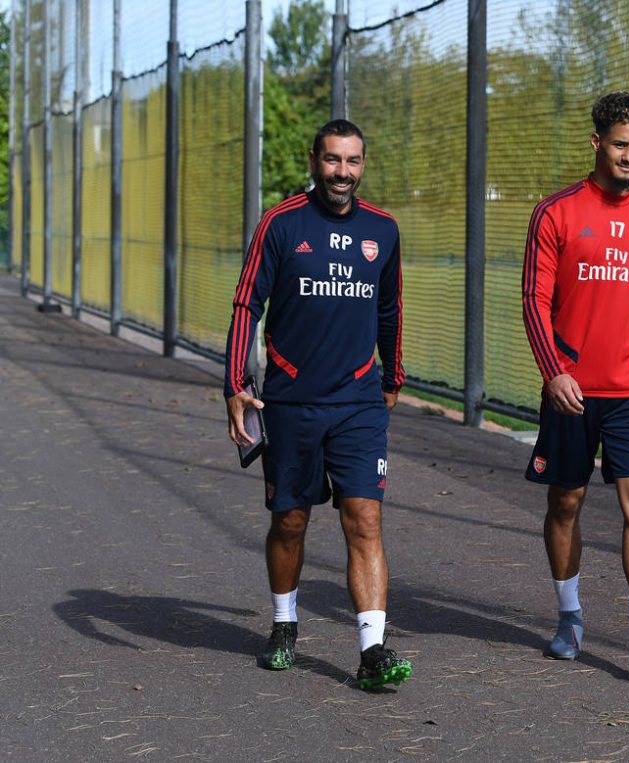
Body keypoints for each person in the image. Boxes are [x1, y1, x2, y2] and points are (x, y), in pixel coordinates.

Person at [224, 118, 411, 690]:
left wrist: (392, 374)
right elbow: (246, 304)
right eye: (332, 160)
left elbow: (390, 309)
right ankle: (284, 625)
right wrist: (234, 383)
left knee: (365, 519)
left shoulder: (383, 228)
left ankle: (372, 649)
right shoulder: (281, 223)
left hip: (358, 402)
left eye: (352, 161)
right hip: (291, 402)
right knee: (291, 522)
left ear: (363, 164)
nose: (342, 172)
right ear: (314, 161)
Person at [521, 92, 629, 680]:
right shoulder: (556, 213)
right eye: (621, 145)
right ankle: (570, 616)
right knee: (565, 503)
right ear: (597, 142)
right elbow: (534, 299)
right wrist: (553, 371)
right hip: (571, 389)